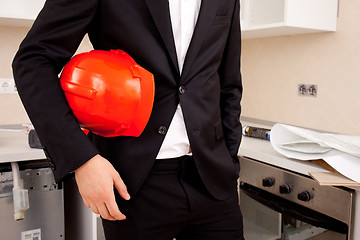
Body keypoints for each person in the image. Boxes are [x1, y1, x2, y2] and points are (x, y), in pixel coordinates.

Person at [13, 0, 244, 239]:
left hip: (214, 180)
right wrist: (82, 160)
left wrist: (229, 159)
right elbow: (32, 61)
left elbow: (228, 84)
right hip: (133, 182)